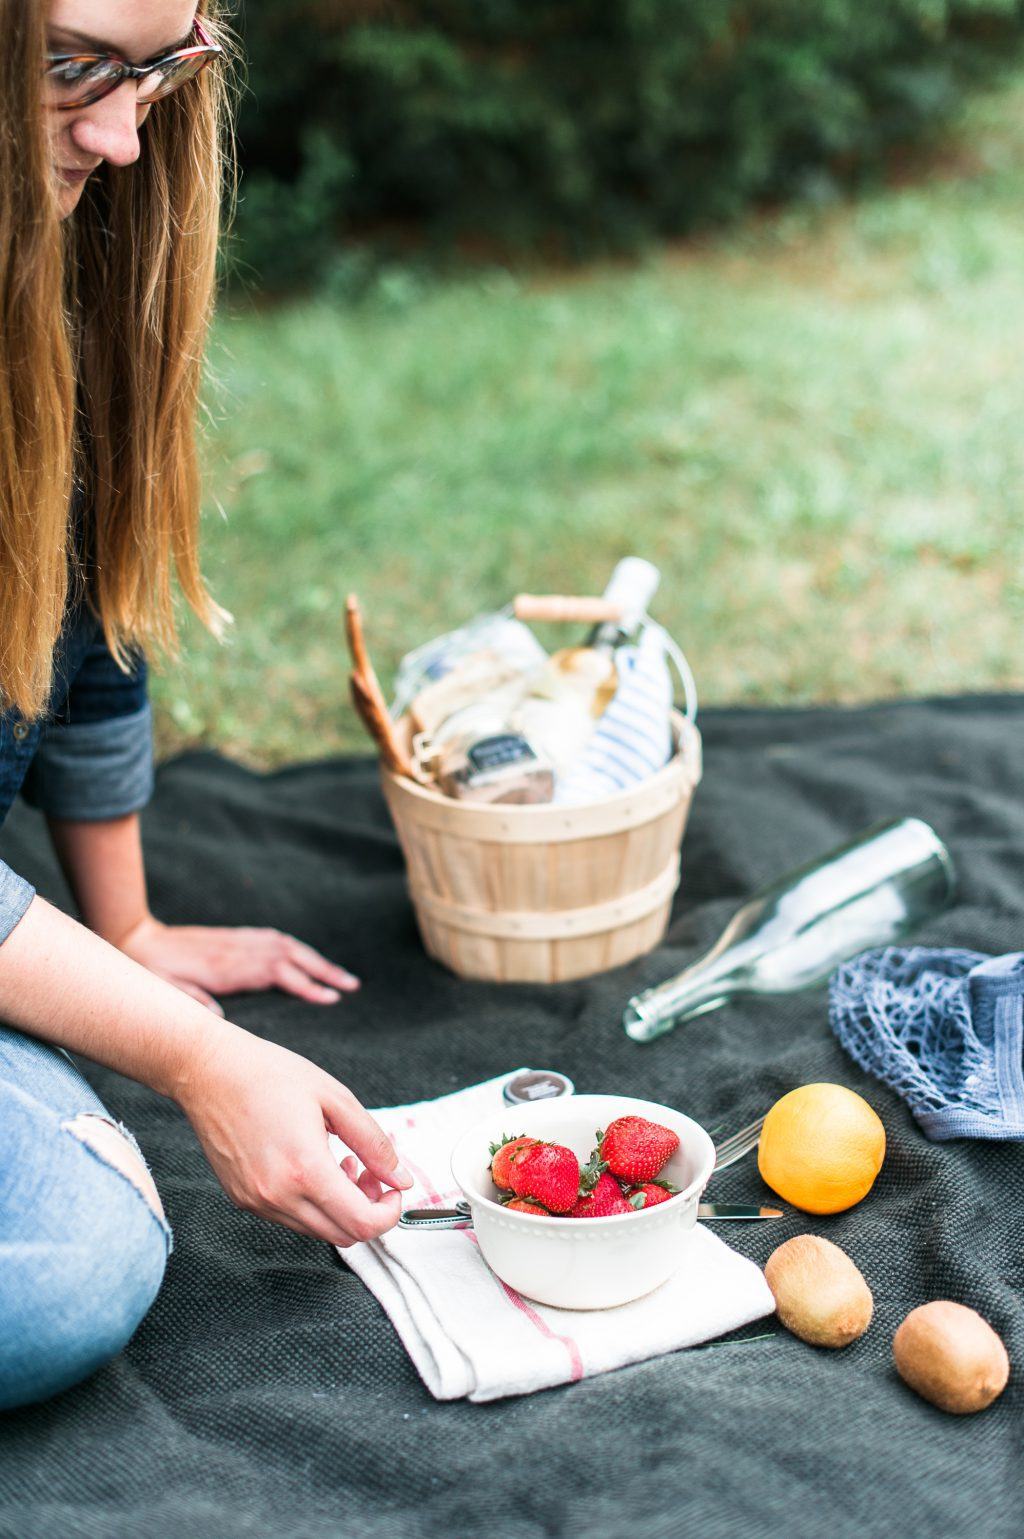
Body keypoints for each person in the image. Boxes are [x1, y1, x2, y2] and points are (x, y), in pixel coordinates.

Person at [0, 0, 410, 1412]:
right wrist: (191, 1054)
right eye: (67, 69)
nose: (122, 138)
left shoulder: (54, 268)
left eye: (160, 73)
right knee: (59, 1274)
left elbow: (79, 617)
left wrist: (127, 932)